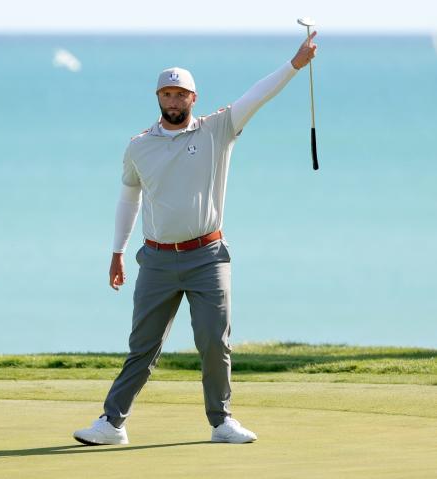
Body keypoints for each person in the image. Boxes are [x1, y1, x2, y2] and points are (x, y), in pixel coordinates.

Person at [73, 32, 318, 445]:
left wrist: (295, 64)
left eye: (180, 94)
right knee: (142, 347)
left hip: (207, 256)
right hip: (155, 260)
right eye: (166, 94)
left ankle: (222, 422)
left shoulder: (217, 129)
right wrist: (117, 251)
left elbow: (257, 95)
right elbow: (128, 196)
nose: (173, 101)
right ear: (158, 97)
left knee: (212, 341)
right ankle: (112, 424)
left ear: (193, 98)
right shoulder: (139, 146)